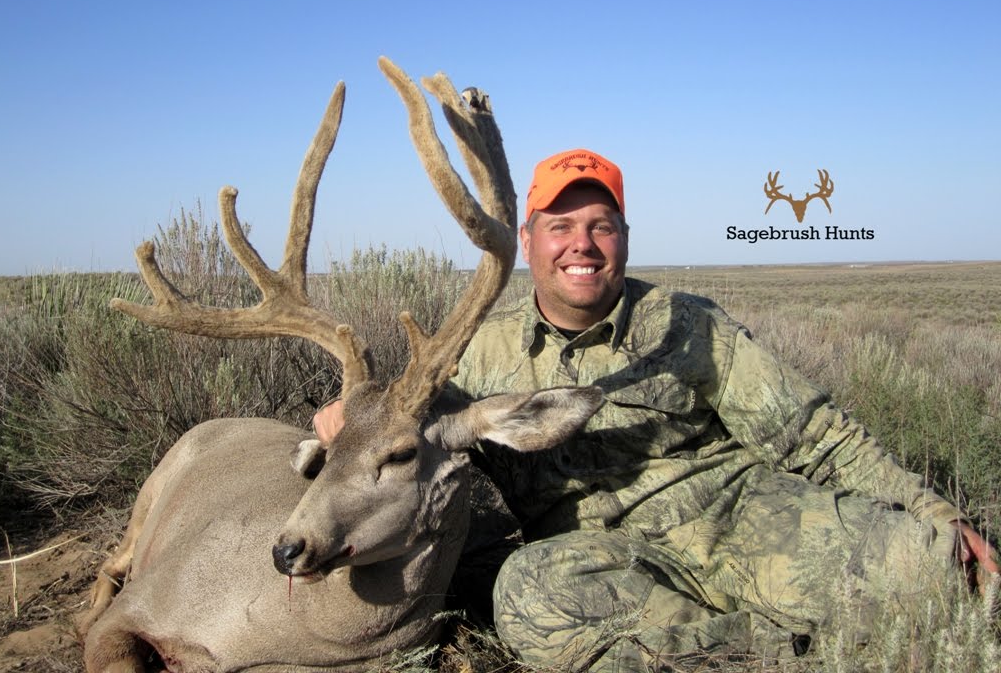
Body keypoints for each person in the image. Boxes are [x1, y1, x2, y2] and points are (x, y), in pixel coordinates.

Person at [315, 149, 998, 670]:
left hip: (749, 522)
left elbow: (819, 436)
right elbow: (396, 428)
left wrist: (937, 513)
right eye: (560, 226)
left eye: (601, 226)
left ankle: (767, 648)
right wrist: (344, 417)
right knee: (526, 593)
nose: (582, 244)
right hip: (613, 564)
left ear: (624, 236)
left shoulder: (688, 324)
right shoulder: (476, 358)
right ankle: (779, 652)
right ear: (527, 240)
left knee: (940, 575)